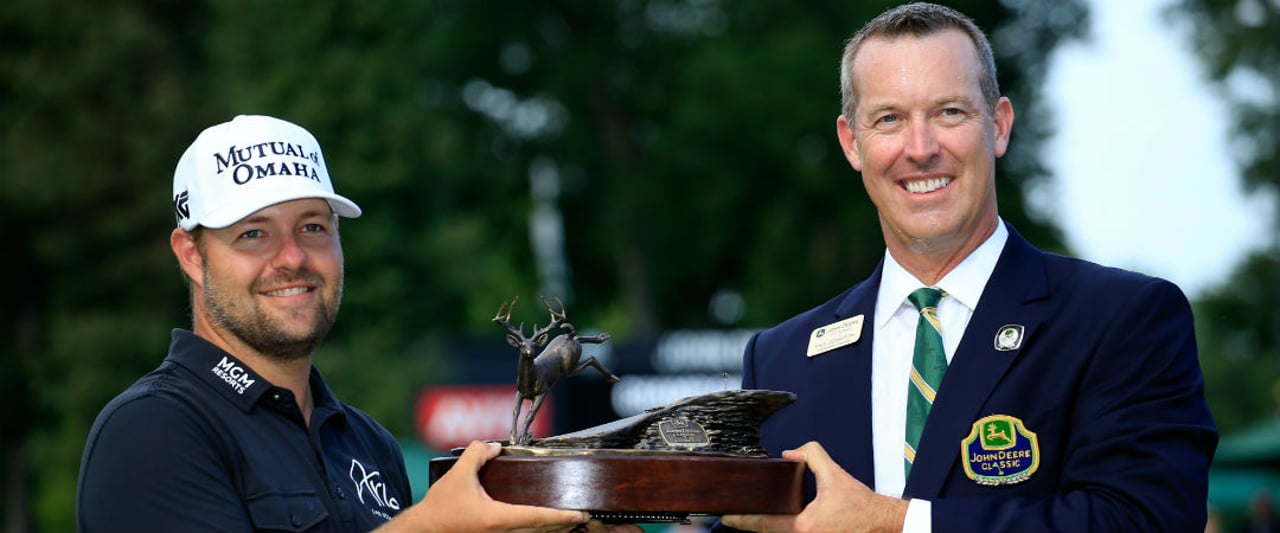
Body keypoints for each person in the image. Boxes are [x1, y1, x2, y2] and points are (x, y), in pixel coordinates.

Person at [717, 3, 1217, 532]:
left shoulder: (1122, 320)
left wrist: (895, 524)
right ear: (852, 143)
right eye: (889, 119)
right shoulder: (781, 359)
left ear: (998, 127)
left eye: (949, 112)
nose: (920, 148)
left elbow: (1146, 519)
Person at [76, 114, 639, 533]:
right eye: (254, 233)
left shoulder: (368, 443)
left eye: (314, 227)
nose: (293, 257)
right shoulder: (151, 432)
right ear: (192, 255)